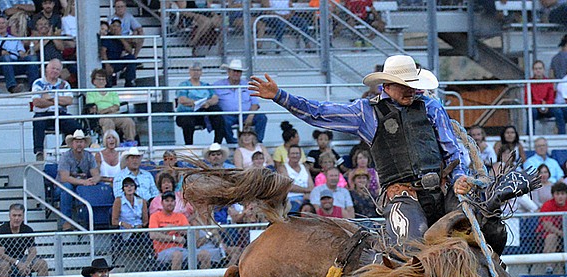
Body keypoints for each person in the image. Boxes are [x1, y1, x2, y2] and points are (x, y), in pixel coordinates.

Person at [250, 55, 502, 248]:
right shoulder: (366, 112)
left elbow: (452, 150)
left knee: (487, 229)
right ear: (387, 86)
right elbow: (319, 112)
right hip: (402, 195)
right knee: (409, 245)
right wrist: (281, 97)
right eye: (404, 85)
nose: (411, 90)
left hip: (443, 188)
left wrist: (459, 177)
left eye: (412, 84)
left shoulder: (431, 106)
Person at [0, 203, 49, 277]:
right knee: (3, 265)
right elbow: (0, 253)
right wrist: (17, 263)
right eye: (14, 215)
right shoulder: (2, 229)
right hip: (7, 259)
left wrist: (26, 264)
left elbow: (33, 251)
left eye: (19, 215)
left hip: (22, 259)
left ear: (23, 216)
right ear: (10, 216)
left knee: (42, 264)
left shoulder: (27, 230)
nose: (17, 218)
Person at [30, 58, 78, 160]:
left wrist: (50, 98)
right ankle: (39, 152)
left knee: (76, 127)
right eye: (53, 68)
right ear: (47, 69)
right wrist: (59, 100)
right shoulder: (38, 83)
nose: (55, 71)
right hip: (43, 113)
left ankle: (64, 148)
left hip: (60, 113)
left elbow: (69, 101)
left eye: (57, 69)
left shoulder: (64, 84)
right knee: (38, 122)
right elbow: (37, 102)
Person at [213, 59, 267, 144]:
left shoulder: (248, 85)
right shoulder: (217, 85)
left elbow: (255, 103)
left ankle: (257, 142)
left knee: (261, 118)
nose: (236, 74)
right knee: (222, 120)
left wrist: (250, 115)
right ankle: (232, 143)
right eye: (234, 71)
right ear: (228, 72)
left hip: (245, 114)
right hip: (227, 115)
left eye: (238, 71)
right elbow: (211, 97)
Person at [57, 129, 101, 230]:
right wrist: (84, 182)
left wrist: (93, 180)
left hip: (82, 185)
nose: (79, 144)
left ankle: (93, 220)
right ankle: (66, 221)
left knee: (97, 186)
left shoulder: (89, 156)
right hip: (62, 186)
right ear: (72, 144)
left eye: (81, 142)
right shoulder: (65, 157)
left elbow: (96, 174)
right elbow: (64, 178)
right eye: (76, 142)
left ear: (85, 144)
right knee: (67, 188)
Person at [0, 14, 39, 93]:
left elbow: (21, 53)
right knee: (6, 57)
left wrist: (24, 54)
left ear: (7, 25)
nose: (1, 25)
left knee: (32, 58)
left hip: (15, 64)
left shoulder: (14, 39)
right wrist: (0, 53)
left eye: (3, 23)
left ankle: (34, 88)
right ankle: (12, 87)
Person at [176, 62, 224, 145]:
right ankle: (189, 146)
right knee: (187, 120)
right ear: (189, 72)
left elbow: (215, 98)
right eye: (193, 70)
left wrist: (208, 103)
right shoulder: (184, 85)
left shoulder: (206, 85)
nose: (196, 72)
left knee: (217, 111)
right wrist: (195, 103)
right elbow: (182, 99)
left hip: (202, 113)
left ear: (201, 72)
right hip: (187, 113)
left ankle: (217, 143)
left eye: (198, 70)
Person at [537, 181, 567, 274]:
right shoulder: (547, 205)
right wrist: (564, 234)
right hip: (550, 235)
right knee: (551, 237)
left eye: (563, 194)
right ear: (553, 195)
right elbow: (547, 226)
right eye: (557, 194)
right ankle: (549, 268)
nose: (560, 196)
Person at [85, 68, 137, 142]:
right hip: (100, 117)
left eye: (103, 79)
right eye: (99, 79)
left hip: (114, 114)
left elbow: (117, 107)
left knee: (128, 121)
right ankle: (110, 143)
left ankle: (130, 142)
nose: (101, 81)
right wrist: (109, 109)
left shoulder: (112, 92)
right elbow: (92, 109)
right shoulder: (90, 93)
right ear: (94, 81)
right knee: (108, 122)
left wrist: (105, 110)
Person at [111, 176, 150, 272]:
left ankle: (149, 261)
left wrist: (141, 225)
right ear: (123, 188)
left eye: (131, 185)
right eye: (126, 186)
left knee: (145, 236)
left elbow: (145, 220)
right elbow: (114, 221)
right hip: (125, 229)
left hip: (139, 229)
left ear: (135, 188)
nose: (129, 188)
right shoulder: (118, 201)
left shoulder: (142, 201)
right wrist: (123, 223)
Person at [148, 191, 189, 273]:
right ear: (162, 203)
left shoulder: (181, 216)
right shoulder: (155, 216)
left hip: (182, 250)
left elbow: (188, 231)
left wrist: (172, 227)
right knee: (177, 255)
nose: (170, 203)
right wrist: (174, 238)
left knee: (204, 254)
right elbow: (153, 235)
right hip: (162, 252)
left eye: (172, 201)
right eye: (167, 201)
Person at [526, 60, 564, 135]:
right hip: (535, 108)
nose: (538, 71)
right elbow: (527, 100)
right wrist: (539, 105)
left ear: (543, 70)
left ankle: (562, 135)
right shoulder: (529, 83)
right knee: (531, 112)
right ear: (533, 70)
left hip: (547, 107)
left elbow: (551, 98)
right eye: (536, 69)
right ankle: (529, 136)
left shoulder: (548, 82)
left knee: (558, 111)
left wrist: (546, 105)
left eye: (540, 68)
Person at [100, 17, 138, 88]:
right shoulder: (106, 37)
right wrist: (107, 65)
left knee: (131, 58)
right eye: (114, 26)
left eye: (118, 26)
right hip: (105, 63)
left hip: (116, 62)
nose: (115, 28)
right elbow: (103, 51)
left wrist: (121, 39)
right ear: (110, 27)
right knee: (108, 86)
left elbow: (130, 51)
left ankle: (129, 82)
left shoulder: (120, 39)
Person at [283, 144, 314, 213]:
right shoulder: (283, 168)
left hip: (306, 197)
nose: (295, 155)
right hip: (290, 198)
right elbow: (288, 186)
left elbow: (311, 186)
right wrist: (306, 190)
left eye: (297, 153)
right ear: (288, 155)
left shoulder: (305, 167)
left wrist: (307, 193)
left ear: (300, 155)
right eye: (292, 153)